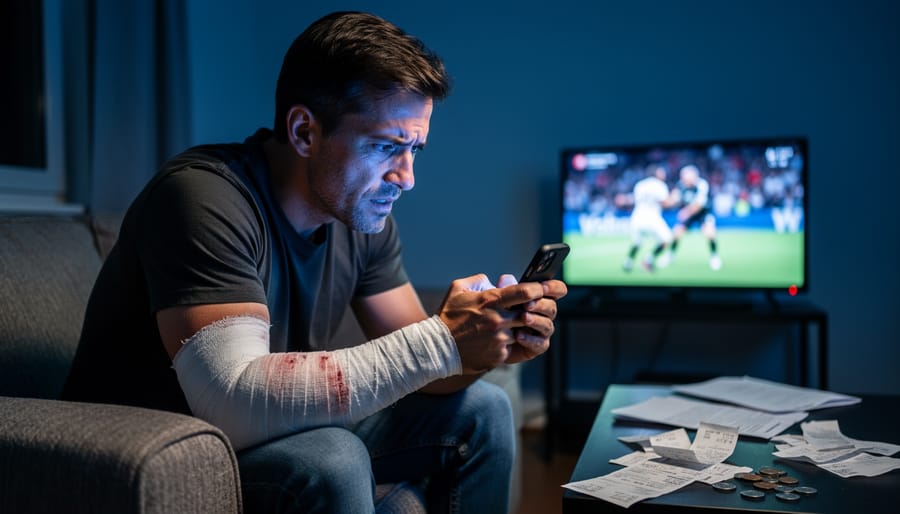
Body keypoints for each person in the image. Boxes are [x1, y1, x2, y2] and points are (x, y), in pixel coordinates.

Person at [62, 11, 567, 514]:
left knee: (484, 410)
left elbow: (431, 373)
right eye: (386, 147)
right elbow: (231, 401)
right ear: (304, 132)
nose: (407, 177)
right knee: (332, 457)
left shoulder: (360, 215)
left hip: (257, 429)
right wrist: (443, 342)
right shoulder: (203, 197)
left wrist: (482, 348)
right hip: (158, 445)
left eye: (415, 149)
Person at [665, 164, 722, 270]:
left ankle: (714, 257)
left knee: (710, 233)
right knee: (676, 233)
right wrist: (666, 201)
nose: (683, 179)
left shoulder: (701, 184)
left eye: (685, 177)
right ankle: (670, 255)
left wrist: (686, 212)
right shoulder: (681, 184)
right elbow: (674, 197)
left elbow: (699, 204)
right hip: (689, 213)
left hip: (703, 212)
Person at [622, 165, 673, 272]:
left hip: (637, 216)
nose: (664, 174)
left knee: (637, 242)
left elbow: (635, 200)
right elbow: (665, 203)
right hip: (652, 217)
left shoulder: (640, 184)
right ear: (656, 173)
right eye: (661, 172)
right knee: (667, 239)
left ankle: (628, 262)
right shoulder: (660, 185)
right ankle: (648, 259)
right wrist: (674, 200)